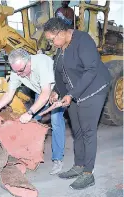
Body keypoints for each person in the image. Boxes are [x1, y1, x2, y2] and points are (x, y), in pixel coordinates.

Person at [43, 17, 111, 190]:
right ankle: (78, 166)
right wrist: (57, 90)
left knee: (88, 131)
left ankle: (88, 173)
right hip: (74, 93)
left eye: (52, 39)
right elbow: (61, 72)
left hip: (93, 89)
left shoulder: (83, 40)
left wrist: (71, 94)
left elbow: (91, 70)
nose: (52, 43)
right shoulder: (61, 47)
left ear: (62, 32)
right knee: (77, 131)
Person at [0, 48, 66, 175]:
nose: (19, 74)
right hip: (41, 92)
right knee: (32, 122)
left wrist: (30, 112)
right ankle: (29, 154)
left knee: (56, 120)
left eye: (21, 70)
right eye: (16, 71)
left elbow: (46, 93)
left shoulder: (42, 62)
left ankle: (57, 159)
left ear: (29, 62)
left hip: (56, 90)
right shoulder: (17, 71)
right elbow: (9, 94)